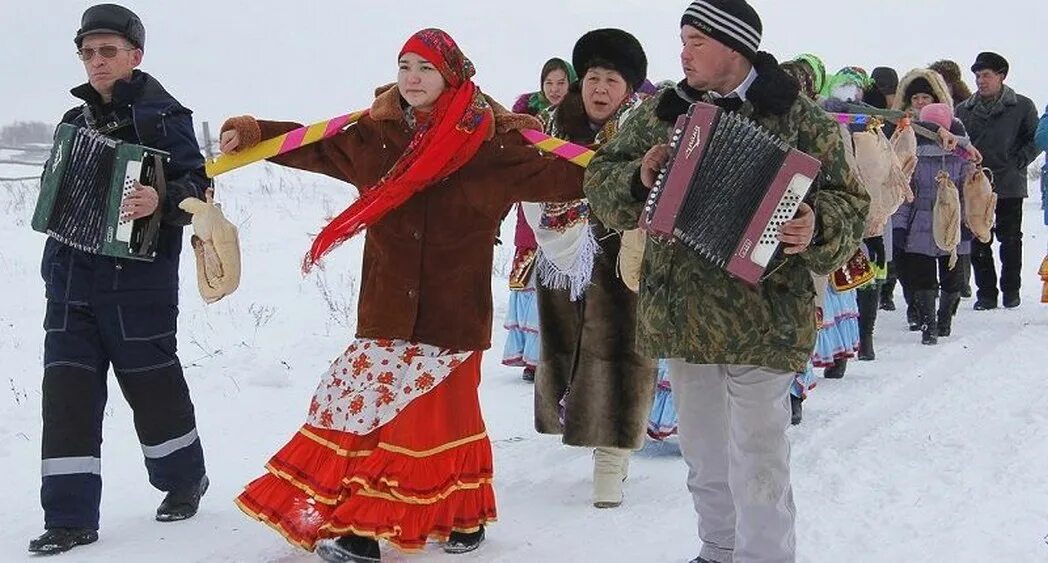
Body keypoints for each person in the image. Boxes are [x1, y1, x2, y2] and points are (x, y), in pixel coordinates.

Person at [219, 28, 586, 562]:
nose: (412, 78)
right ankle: (451, 518)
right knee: (359, 407)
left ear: (452, 75)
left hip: (452, 311)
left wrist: (627, 175)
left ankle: (378, 530)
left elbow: (564, 175)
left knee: (437, 419)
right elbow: (313, 143)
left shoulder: (495, 142)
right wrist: (254, 134)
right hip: (388, 306)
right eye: (405, 66)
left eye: (426, 68)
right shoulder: (376, 133)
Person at [584, 1, 869, 560]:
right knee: (705, 453)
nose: (682, 52)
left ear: (733, 48)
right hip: (684, 315)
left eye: (695, 41)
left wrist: (816, 223)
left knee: (758, 452)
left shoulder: (800, 116)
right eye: (682, 40)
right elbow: (601, 177)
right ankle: (717, 550)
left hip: (765, 317)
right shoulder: (661, 112)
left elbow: (851, 203)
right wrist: (639, 179)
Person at [29, 4, 210, 555]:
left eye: (108, 51)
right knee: (66, 395)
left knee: (154, 388)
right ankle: (69, 517)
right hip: (69, 281)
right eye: (88, 52)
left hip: (138, 285)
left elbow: (198, 191)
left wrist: (161, 199)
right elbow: (57, 193)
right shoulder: (71, 124)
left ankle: (183, 480)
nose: (97, 62)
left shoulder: (165, 117)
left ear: (135, 55)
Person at [526, 28, 656, 510]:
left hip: (626, 258)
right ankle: (582, 432)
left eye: (612, 81)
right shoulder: (551, 125)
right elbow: (529, 179)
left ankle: (612, 459)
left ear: (629, 89)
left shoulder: (645, 132)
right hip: (560, 251)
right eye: (594, 78)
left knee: (620, 355)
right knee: (566, 353)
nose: (600, 89)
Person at [503, 58, 577, 382]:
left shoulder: (581, 116)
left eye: (561, 82)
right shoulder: (529, 118)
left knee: (560, 276)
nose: (555, 89)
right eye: (550, 83)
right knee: (530, 277)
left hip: (569, 205)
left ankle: (558, 353)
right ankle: (533, 356)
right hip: (532, 205)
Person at [956, 52, 1040, 310]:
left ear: (1001, 76)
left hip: (1009, 182)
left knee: (1011, 238)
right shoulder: (963, 110)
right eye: (978, 76)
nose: (981, 81)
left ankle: (1011, 290)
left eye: (987, 75)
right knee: (980, 239)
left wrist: (1019, 161)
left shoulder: (1022, 106)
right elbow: (957, 144)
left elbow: (1035, 139)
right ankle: (986, 293)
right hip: (976, 184)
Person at [893, 102, 977, 344]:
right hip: (934, 224)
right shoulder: (915, 156)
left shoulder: (962, 158)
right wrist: (899, 225)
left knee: (946, 278)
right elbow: (905, 194)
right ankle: (931, 322)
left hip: (941, 223)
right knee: (931, 277)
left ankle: (941, 319)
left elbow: (968, 193)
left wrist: (969, 222)